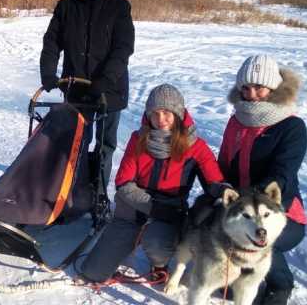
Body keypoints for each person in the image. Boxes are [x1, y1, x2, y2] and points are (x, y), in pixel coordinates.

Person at [78, 84, 228, 283]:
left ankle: (159, 264)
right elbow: (123, 182)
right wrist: (153, 207)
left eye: (167, 112)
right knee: (93, 273)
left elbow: (214, 183)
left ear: (179, 113)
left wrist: (226, 192)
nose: (160, 120)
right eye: (155, 113)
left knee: (157, 245)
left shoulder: (196, 146)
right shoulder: (138, 138)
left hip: (170, 209)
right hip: (133, 206)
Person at [39, 0, 134, 197]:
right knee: (76, 144)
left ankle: (100, 195)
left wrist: (105, 80)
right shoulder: (66, 7)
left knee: (104, 145)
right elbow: (51, 42)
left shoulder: (119, 7)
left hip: (109, 91)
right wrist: (48, 73)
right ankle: (73, 194)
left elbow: (123, 48)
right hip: (77, 89)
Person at [218, 55, 307, 305]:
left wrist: (243, 202)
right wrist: (217, 188)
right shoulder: (237, 120)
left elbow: (282, 174)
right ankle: (238, 277)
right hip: (240, 205)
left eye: (259, 87)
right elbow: (223, 163)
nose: (251, 94)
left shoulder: (291, 126)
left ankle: (280, 284)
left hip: (280, 210)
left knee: (263, 236)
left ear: (274, 87)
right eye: (245, 88)